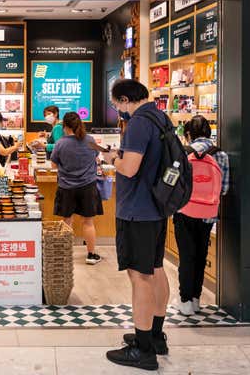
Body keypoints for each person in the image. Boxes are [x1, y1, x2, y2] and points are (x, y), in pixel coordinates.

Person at [102, 79, 170, 371]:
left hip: (137, 211)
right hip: (155, 208)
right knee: (155, 269)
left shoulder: (139, 123)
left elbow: (129, 167)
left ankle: (143, 350)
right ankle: (155, 335)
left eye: (116, 103)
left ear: (126, 99)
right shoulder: (160, 116)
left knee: (140, 277)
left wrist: (111, 159)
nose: (117, 109)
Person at [174, 115, 229, 315]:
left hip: (184, 211)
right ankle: (197, 299)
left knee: (186, 256)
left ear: (189, 133)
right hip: (208, 213)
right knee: (200, 255)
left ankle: (186, 301)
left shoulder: (182, 153)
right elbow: (224, 189)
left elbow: (173, 182)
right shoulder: (220, 154)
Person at [50, 111, 103, 264]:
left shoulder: (61, 143)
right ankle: (91, 255)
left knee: (67, 220)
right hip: (88, 186)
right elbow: (95, 157)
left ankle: (66, 255)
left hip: (66, 187)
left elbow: (53, 165)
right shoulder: (90, 140)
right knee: (88, 222)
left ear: (65, 126)